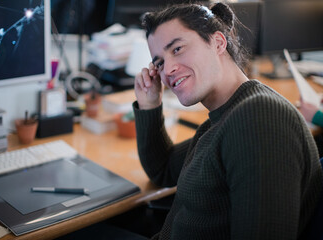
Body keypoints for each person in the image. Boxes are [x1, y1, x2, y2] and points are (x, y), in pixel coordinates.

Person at [133, 2, 323, 239]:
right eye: (159, 63)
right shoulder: (224, 117)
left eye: (178, 49)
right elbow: (163, 169)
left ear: (218, 42)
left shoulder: (258, 118)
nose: (167, 69)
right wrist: (149, 104)